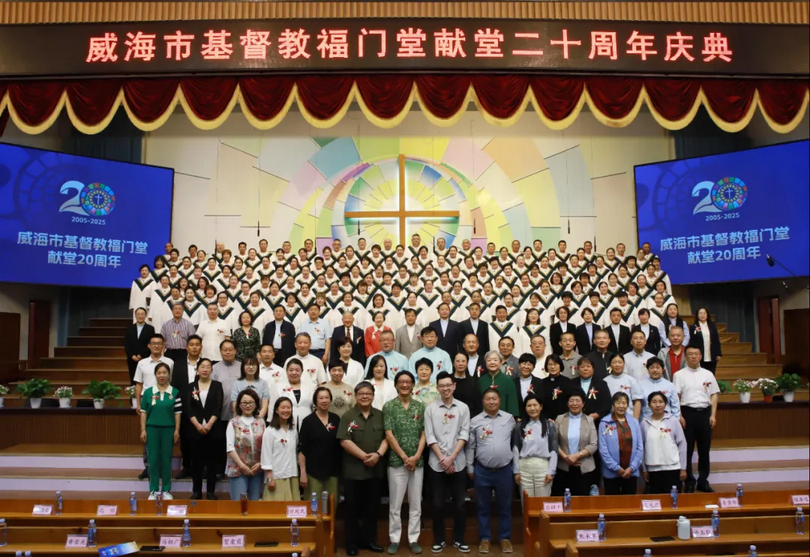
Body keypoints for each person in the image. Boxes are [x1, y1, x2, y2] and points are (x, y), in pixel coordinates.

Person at [339, 381, 389, 556]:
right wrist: (364, 457)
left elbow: (387, 437)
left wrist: (378, 455)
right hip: (353, 471)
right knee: (352, 509)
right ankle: (351, 543)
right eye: (361, 394)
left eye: (368, 393)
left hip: (375, 470)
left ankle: (370, 541)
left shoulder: (381, 415)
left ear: (373, 396)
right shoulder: (348, 416)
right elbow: (345, 441)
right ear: (356, 396)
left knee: (372, 508)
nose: (365, 396)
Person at [466, 388, 519, 554]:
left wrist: (515, 468)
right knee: (483, 507)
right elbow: (471, 446)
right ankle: (485, 539)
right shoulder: (475, 421)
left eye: (494, 399)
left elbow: (515, 445)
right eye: (488, 399)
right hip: (482, 470)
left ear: (500, 400)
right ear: (483, 401)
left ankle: (505, 538)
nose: (491, 402)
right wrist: (470, 467)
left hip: (505, 470)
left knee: (505, 507)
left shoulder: (510, 419)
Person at [424, 371, 471, 553]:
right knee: (437, 504)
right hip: (436, 464)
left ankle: (459, 539)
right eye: (441, 385)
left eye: (448, 385)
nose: (445, 388)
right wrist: (442, 458)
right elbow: (429, 435)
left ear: (454, 386)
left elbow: (464, 433)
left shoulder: (463, 408)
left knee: (459, 503)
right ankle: (439, 539)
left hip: (458, 462)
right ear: (437, 388)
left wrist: (451, 457)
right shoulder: (430, 409)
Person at [384, 370, 427, 555]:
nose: (405, 384)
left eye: (408, 381)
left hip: (417, 462)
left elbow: (424, 433)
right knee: (395, 504)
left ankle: (413, 538)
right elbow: (389, 434)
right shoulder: (389, 406)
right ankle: (394, 539)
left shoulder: (420, 406)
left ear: (412, 385)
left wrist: (416, 455)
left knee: (416, 503)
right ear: (396, 384)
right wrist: (404, 457)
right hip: (396, 462)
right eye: (401, 381)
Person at [674, 346, 719, 493]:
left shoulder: (708, 374)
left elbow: (714, 395)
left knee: (704, 449)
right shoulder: (679, 375)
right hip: (687, 413)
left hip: (705, 413)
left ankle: (703, 480)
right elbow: (676, 397)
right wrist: (679, 416)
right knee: (686, 449)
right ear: (685, 357)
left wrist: (713, 415)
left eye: (696, 354)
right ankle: (689, 481)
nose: (693, 357)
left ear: (700, 356)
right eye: (690, 354)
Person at [134, 333, 174, 480]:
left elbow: (172, 383)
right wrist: (138, 403)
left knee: (165, 437)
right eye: (154, 343)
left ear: (164, 346)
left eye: (159, 343)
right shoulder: (142, 363)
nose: (156, 346)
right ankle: (148, 467)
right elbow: (138, 384)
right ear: (149, 346)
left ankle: (164, 469)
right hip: (148, 403)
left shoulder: (170, 362)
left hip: (165, 403)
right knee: (147, 436)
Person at [140, 362, 181, 500]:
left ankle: (167, 490)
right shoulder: (148, 392)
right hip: (152, 429)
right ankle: (153, 490)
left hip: (168, 429)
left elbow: (177, 413)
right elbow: (144, 412)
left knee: (166, 460)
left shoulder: (174, 392)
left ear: (169, 374)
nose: (162, 375)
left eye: (165, 372)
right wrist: (143, 430)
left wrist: (177, 429)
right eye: (159, 373)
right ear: (155, 375)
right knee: (153, 460)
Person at [184, 358, 223, 500]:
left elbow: (218, 407)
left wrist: (209, 424)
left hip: (213, 429)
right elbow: (188, 409)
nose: (205, 369)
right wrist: (198, 425)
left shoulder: (217, 385)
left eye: (208, 367)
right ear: (197, 369)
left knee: (212, 461)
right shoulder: (190, 387)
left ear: (212, 370)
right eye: (202, 366)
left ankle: (211, 491)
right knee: (197, 462)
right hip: (195, 429)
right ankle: (197, 491)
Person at [299, 386, 342, 502]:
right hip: (313, 471)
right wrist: (302, 472)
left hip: (333, 471)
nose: (324, 401)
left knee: (332, 505)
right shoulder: (308, 421)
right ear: (315, 401)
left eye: (327, 398)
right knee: (313, 505)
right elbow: (302, 449)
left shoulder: (336, 419)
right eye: (321, 398)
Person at [641, 391, 688, 494]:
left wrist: (683, 468)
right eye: (654, 402)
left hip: (673, 468)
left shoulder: (673, 421)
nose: (657, 405)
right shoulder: (644, 423)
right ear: (649, 405)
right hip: (653, 469)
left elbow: (682, 444)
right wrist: (644, 469)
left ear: (665, 404)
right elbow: (642, 447)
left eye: (661, 402)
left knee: (673, 502)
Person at [171, 334, 203, 480]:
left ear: (201, 347)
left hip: (201, 406)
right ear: (186, 347)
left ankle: (200, 467)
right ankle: (187, 466)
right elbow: (174, 386)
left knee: (201, 439)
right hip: (183, 406)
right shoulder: (177, 364)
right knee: (185, 439)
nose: (194, 347)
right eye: (192, 344)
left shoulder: (206, 363)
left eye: (197, 344)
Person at [553, 390, 597, 496]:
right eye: (571, 401)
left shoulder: (589, 420)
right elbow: (553, 442)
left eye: (578, 400)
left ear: (583, 403)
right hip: (563, 467)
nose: (574, 404)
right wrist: (566, 457)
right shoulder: (560, 419)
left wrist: (577, 456)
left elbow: (593, 444)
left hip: (584, 467)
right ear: (567, 403)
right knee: (564, 501)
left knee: (582, 503)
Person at [598, 392, 644, 495]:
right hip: (611, 473)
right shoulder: (604, 422)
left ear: (628, 405)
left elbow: (640, 447)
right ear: (613, 405)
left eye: (624, 403)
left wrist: (631, 468)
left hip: (630, 473)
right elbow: (603, 449)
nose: (621, 406)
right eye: (618, 403)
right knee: (612, 505)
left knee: (630, 505)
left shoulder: (634, 422)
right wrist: (616, 468)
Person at [515, 393, 557, 503]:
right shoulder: (520, 426)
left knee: (542, 503)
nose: (532, 408)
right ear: (525, 408)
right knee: (527, 503)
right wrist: (516, 471)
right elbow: (515, 449)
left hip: (543, 467)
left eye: (535, 405)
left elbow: (554, 449)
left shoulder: (549, 425)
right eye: (529, 406)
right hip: (524, 467)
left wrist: (551, 471)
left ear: (541, 406)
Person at [226, 390, 265, 501]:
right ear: (239, 404)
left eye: (251, 402)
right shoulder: (233, 422)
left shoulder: (261, 422)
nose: (248, 405)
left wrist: (260, 464)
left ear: (256, 404)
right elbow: (229, 448)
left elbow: (265, 446)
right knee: (239, 504)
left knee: (254, 504)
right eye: (244, 403)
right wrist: (242, 467)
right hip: (238, 469)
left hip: (256, 469)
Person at [261, 397, 300, 500]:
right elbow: (266, 455)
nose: (286, 410)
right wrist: (270, 478)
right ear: (277, 410)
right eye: (283, 407)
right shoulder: (270, 431)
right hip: (277, 476)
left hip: (292, 474)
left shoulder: (293, 430)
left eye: (288, 407)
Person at [478, 350, 519, 418]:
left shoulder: (508, 380)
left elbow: (512, 404)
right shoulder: (481, 381)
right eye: (489, 360)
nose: (492, 362)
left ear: (500, 362)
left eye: (495, 360)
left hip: (504, 419)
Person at [230, 357, 272, 421]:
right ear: (243, 367)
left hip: (258, 421)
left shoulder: (263, 383)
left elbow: (264, 407)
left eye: (254, 365)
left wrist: (256, 420)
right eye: (248, 365)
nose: (251, 367)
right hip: (239, 420)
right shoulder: (236, 384)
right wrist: (243, 420)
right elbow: (235, 406)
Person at [603, 353, 643, 418]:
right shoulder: (605, 381)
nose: (617, 365)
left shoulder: (631, 380)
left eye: (620, 362)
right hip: (610, 418)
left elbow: (637, 402)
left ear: (624, 364)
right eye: (614, 362)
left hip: (629, 417)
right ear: (610, 364)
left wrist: (635, 421)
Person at [539, 354, 573, 422]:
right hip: (546, 420)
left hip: (565, 420)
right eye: (550, 364)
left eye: (555, 364)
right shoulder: (541, 383)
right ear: (546, 366)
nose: (553, 367)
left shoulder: (568, 382)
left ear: (560, 365)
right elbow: (539, 404)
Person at [124, 308, 154, 384]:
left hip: (145, 358)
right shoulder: (129, 328)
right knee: (133, 379)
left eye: (142, 314)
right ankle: (133, 395)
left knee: (145, 379)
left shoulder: (150, 329)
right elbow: (127, 344)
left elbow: (150, 344)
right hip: (132, 359)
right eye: (138, 314)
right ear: (135, 315)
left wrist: (141, 355)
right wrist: (132, 355)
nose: (140, 316)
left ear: (145, 316)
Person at [689, 307, 722, 374]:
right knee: (700, 374)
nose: (702, 315)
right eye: (700, 313)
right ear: (697, 315)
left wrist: (718, 354)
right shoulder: (693, 327)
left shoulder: (712, 326)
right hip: (699, 355)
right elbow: (691, 341)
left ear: (707, 315)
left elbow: (716, 340)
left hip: (711, 354)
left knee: (711, 374)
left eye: (704, 313)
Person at [514, 353, 543, 424]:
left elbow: (542, 401)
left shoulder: (539, 382)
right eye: (523, 364)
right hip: (517, 420)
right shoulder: (513, 382)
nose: (526, 367)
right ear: (519, 366)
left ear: (533, 367)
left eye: (529, 364)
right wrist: (515, 417)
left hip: (535, 420)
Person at [451, 352, 482, 417]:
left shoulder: (473, 382)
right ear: (453, 363)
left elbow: (477, 405)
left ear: (467, 363)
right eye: (458, 361)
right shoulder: (448, 380)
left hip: (469, 417)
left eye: (463, 361)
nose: (460, 364)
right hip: (451, 416)